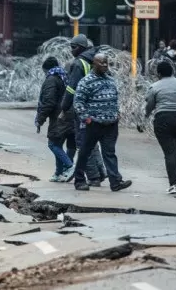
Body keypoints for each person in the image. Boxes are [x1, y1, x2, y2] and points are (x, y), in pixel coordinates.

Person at [71, 52, 132, 192]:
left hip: (111, 125)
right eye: (102, 63)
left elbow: (115, 99)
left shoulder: (110, 80)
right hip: (93, 124)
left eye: (106, 63)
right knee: (85, 152)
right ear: (94, 64)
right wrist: (87, 118)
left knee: (109, 153)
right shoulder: (86, 81)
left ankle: (115, 182)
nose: (105, 65)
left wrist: (116, 114)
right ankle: (79, 180)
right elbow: (78, 102)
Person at [62, 35, 106, 185]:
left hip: (82, 109)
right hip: (97, 107)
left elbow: (71, 89)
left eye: (73, 47)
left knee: (83, 143)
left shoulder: (79, 63)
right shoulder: (97, 60)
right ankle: (101, 172)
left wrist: (64, 107)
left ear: (80, 47)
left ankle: (93, 177)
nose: (71, 50)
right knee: (93, 142)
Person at [145, 60, 176, 194]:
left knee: (170, 152)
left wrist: (146, 116)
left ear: (158, 73)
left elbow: (150, 105)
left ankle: (172, 185)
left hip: (163, 120)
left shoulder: (155, 86)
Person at [34, 57, 75, 183]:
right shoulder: (65, 77)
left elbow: (48, 102)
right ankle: (59, 173)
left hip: (60, 117)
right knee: (62, 144)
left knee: (53, 144)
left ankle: (69, 166)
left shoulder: (51, 80)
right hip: (72, 114)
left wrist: (40, 119)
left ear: (46, 69)